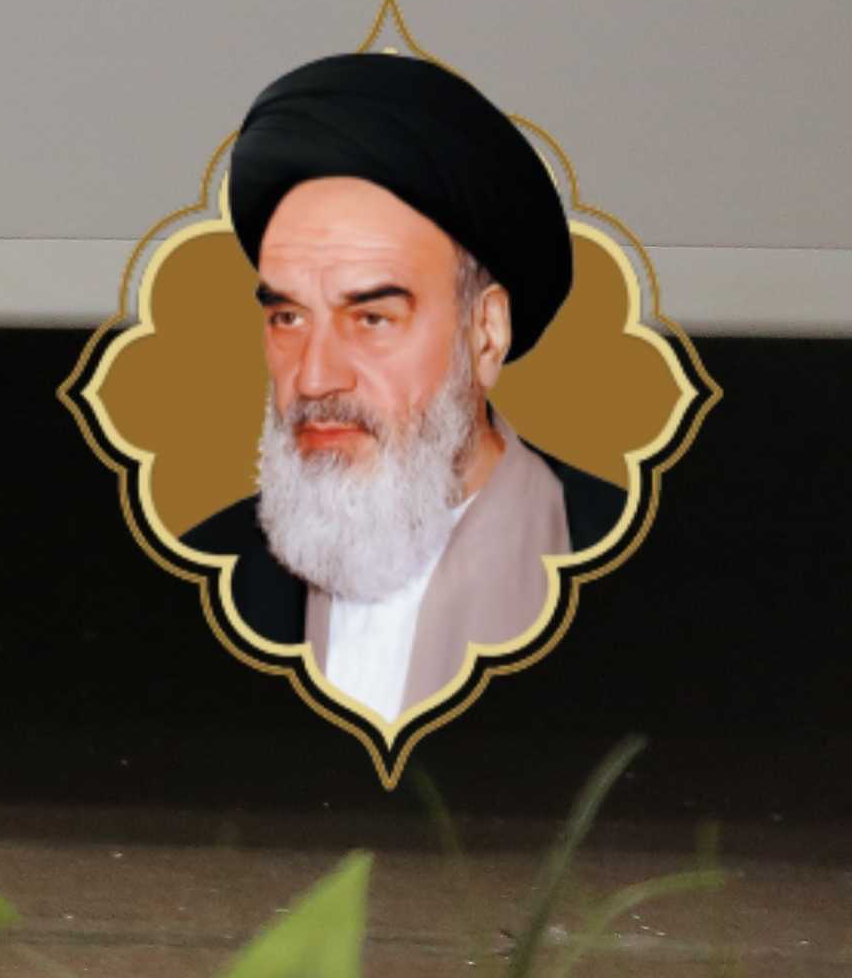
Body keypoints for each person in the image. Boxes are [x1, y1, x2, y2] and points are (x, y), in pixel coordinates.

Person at [173, 47, 623, 724]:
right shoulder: (197, 576)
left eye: (372, 319)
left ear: (486, 334)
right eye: (288, 317)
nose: (315, 376)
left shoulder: (624, 567)